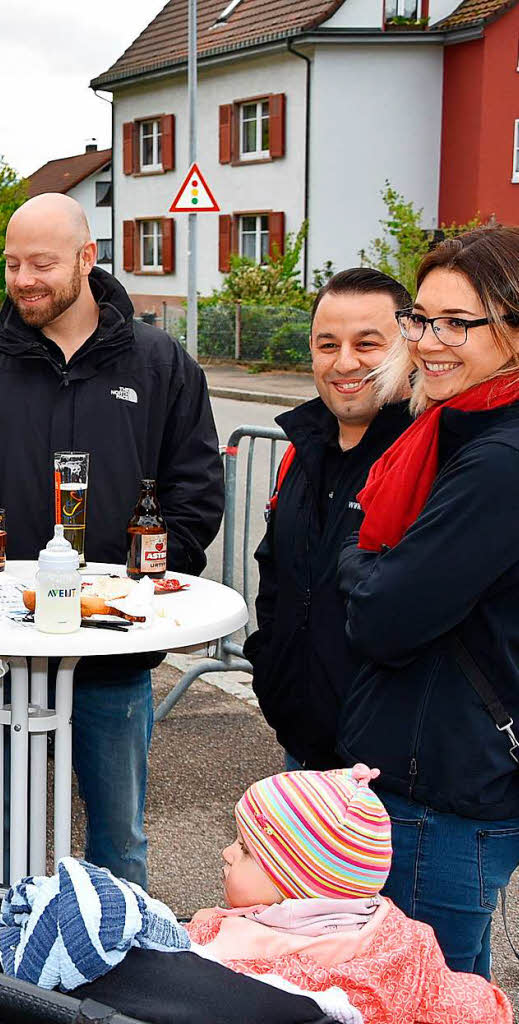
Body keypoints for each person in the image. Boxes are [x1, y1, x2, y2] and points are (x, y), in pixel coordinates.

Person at [0, 192, 224, 885]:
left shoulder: (160, 364)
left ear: (88, 258)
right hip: (5, 648)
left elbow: (196, 494)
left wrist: (136, 584)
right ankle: (6, 978)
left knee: (119, 840)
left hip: (114, 651)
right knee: (3, 831)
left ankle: (125, 977)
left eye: (42, 262)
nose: (24, 278)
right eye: (12, 263)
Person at [337, 226, 519, 977]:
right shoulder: (455, 430)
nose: (428, 341)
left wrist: (356, 559)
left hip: (443, 789)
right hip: (438, 770)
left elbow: (383, 618)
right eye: (422, 318)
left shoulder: (498, 460)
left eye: (457, 323)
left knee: (422, 992)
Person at [243, 269, 412, 771]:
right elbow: (276, 577)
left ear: (410, 347)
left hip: (390, 770)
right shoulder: (301, 451)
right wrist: (268, 664)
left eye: (368, 343)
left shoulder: (427, 459)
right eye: (327, 344)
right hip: (303, 745)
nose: (345, 362)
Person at [186, 766, 513, 1023]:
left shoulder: (230, 956)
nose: (226, 852)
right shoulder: (405, 939)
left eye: (245, 849)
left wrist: (195, 933)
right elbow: (466, 1006)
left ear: (301, 885)